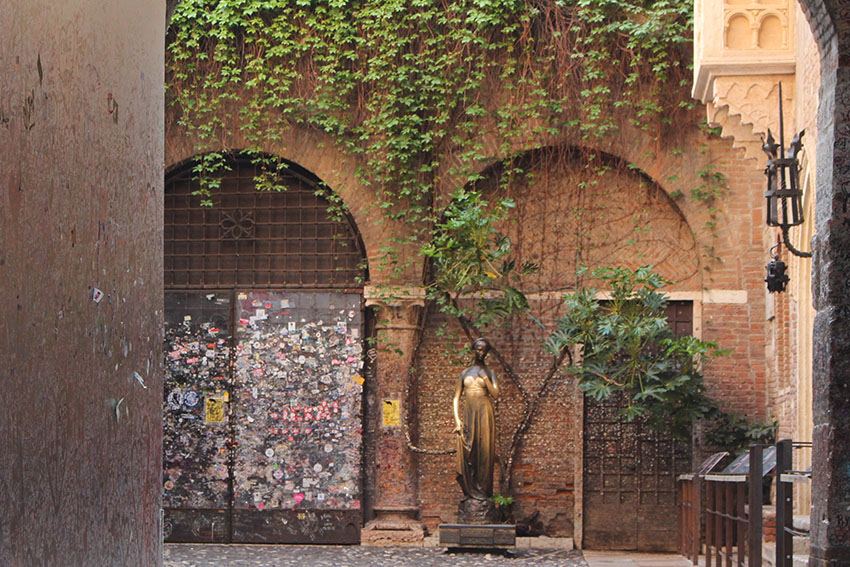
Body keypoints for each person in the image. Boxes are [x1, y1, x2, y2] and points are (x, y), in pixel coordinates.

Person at [453, 337, 500, 500]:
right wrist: (457, 420)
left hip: (485, 412)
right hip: (469, 412)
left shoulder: (490, 373)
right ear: (473, 350)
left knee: (485, 450)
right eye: (479, 349)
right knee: (469, 450)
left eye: (484, 350)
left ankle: (484, 489)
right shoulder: (464, 373)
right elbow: (456, 398)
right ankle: (470, 489)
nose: (481, 353)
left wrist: (485, 378)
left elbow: (495, 394)